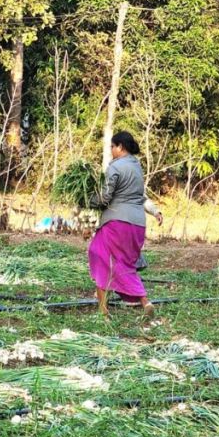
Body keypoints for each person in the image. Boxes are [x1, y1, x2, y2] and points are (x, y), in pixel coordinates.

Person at [87, 131, 163, 317]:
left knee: (99, 255)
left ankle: (104, 312)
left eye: (112, 147)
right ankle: (145, 303)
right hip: (137, 224)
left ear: (120, 146)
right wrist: (155, 211)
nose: (112, 150)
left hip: (117, 223)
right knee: (125, 263)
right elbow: (141, 197)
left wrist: (88, 200)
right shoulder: (137, 167)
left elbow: (105, 197)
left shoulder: (115, 167)